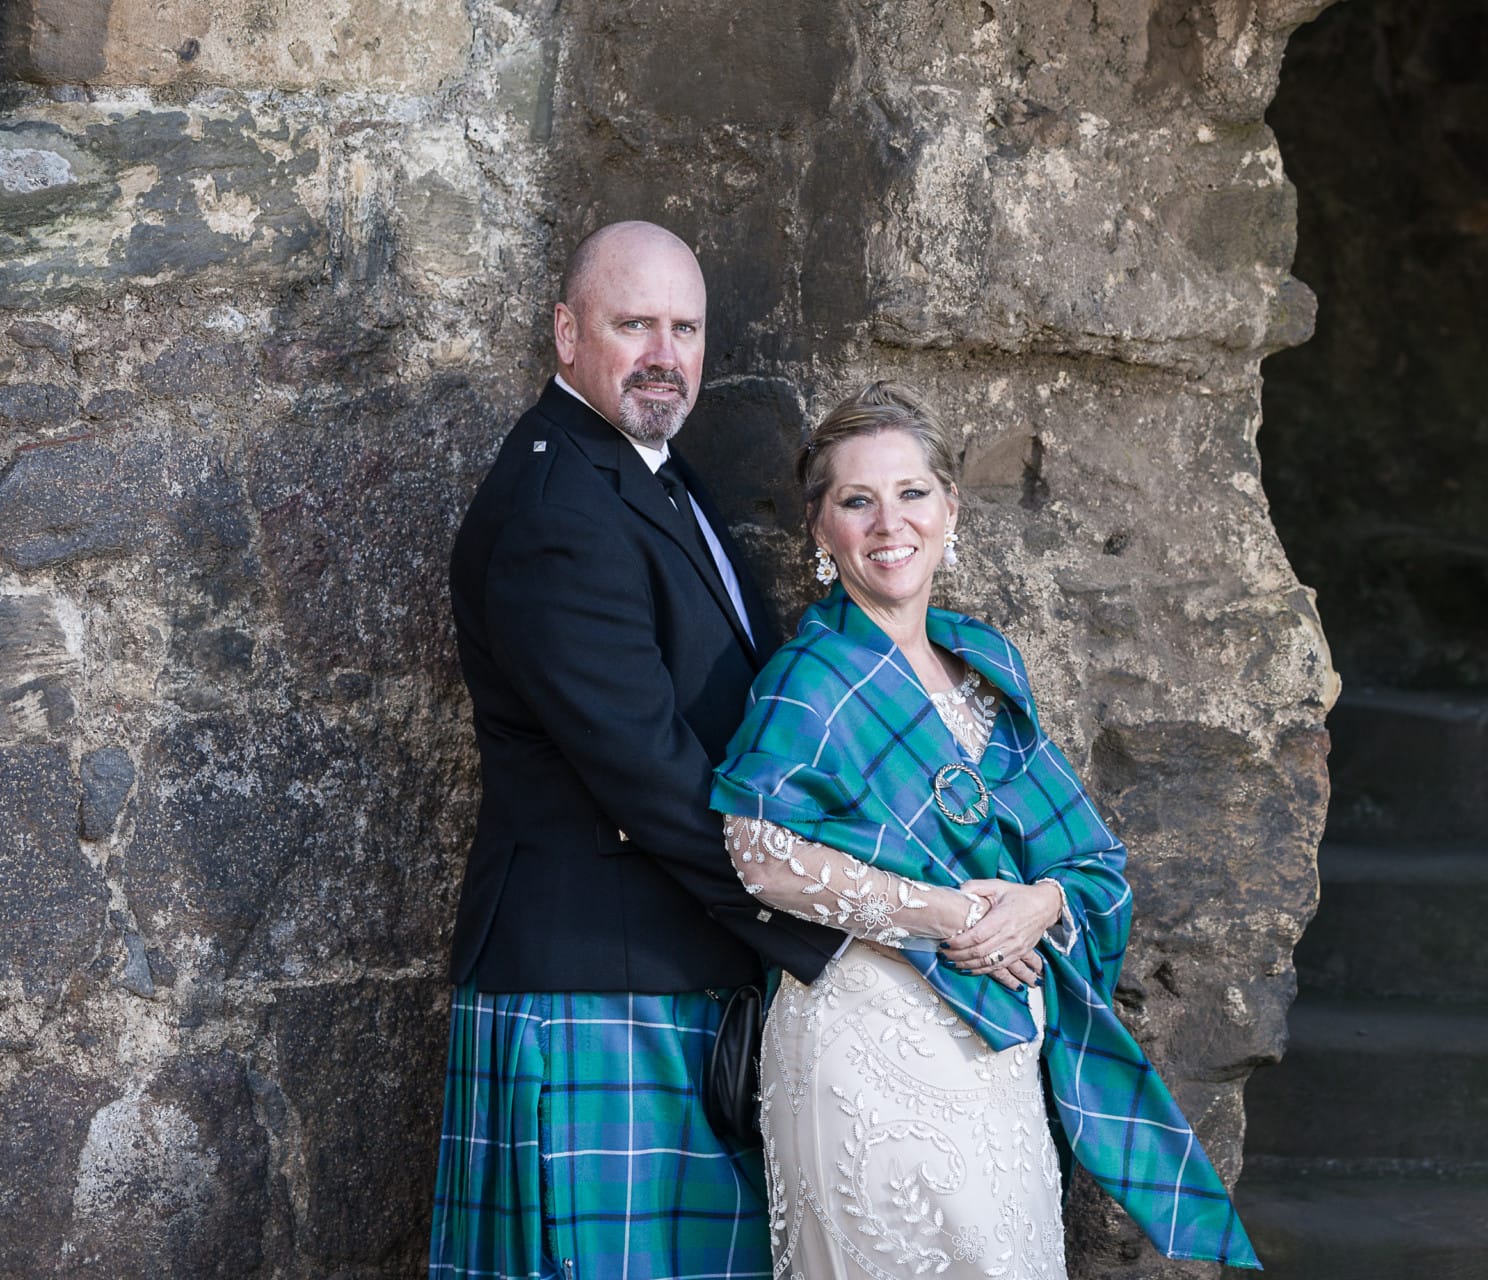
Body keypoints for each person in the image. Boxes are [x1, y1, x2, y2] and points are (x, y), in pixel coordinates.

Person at [710, 382, 1261, 1279]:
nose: (890, 523)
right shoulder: (808, 677)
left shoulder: (985, 666)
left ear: (949, 507)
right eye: (858, 501)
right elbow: (758, 852)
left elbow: (1087, 863)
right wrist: (944, 915)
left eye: (912, 493)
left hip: (996, 1047)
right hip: (865, 1043)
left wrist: (1040, 903)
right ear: (822, 529)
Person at [429, 221, 844, 1280]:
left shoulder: (649, 469)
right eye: (633, 324)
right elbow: (650, 772)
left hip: (653, 970)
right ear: (566, 332)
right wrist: (827, 923)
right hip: (596, 986)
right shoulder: (557, 506)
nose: (665, 352)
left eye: (686, 327)